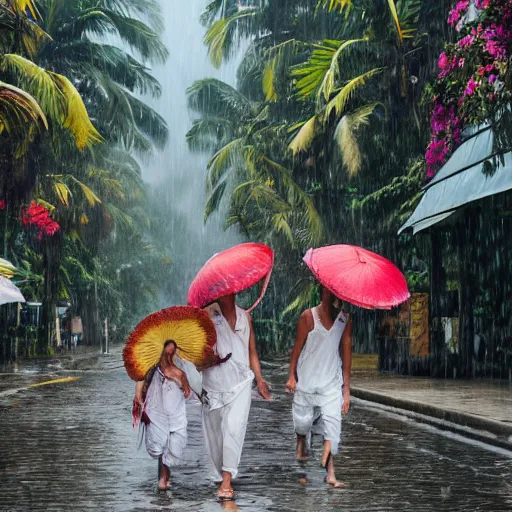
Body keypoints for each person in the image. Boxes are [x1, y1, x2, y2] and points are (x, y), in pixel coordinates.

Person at [202, 293, 271, 501]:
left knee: (234, 427)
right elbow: (196, 352)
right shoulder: (206, 316)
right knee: (216, 440)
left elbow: (252, 353)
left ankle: (227, 479)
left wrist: (259, 379)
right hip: (213, 384)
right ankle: (223, 469)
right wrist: (205, 357)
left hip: (241, 383)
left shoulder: (245, 317)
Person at [285, 285, 352, 488]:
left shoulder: (345, 320)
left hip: (331, 381)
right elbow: (297, 348)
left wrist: (346, 389)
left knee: (333, 426)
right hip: (307, 379)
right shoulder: (308, 316)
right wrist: (291, 376)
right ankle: (301, 445)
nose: (333, 297)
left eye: (337, 294)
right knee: (302, 424)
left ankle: (330, 473)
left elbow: (346, 354)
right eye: (329, 293)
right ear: (322, 293)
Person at [133, 340, 192, 491]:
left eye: (172, 352)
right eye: (167, 352)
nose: (170, 355)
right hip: (157, 409)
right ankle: (163, 478)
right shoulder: (152, 368)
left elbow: (187, 392)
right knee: (161, 441)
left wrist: (178, 381)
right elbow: (140, 376)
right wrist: (138, 395)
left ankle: (164, 477)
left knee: (171, 442)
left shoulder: (179, 370)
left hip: (174, 410)